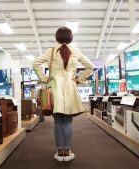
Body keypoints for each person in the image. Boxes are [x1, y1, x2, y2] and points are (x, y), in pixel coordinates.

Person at [32, 27, 94, 162]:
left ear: (57, 37)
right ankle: (68, 151)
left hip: (55, 89)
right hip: (70, 89)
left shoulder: (51, 51)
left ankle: (59, 152)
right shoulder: (75, 51)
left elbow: (35, 63)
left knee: (58, 121)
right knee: (68, 121)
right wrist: (79, 80)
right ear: (70, 38)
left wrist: (44, 78)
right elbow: (91, 66)